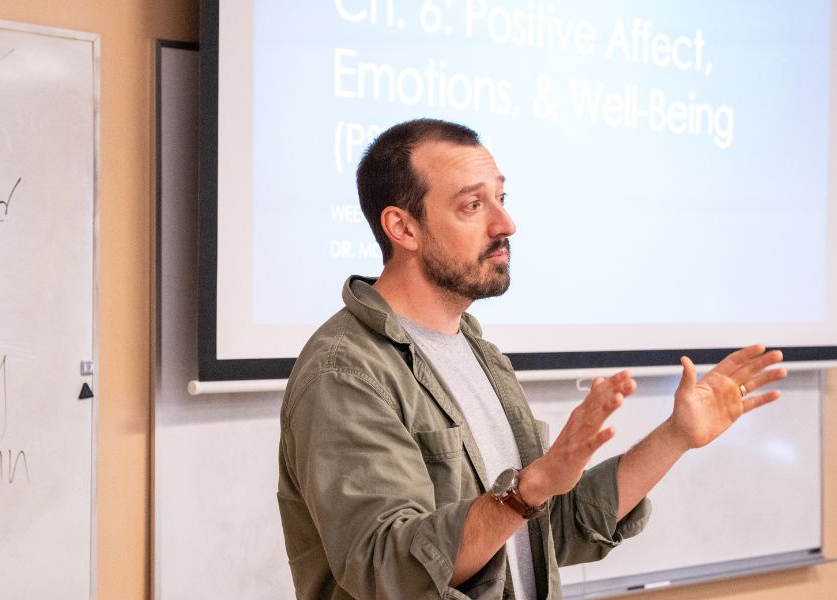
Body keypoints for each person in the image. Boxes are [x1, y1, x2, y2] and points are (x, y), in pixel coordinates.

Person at [276, 118, 787, 600]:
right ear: (402, 228)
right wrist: (530, 487)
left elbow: (543, 531)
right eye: (472, 206)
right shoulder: (346, 372)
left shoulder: (479, 354)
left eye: (500, 197)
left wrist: (675, 437)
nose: (507, 223)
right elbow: (386, 568)